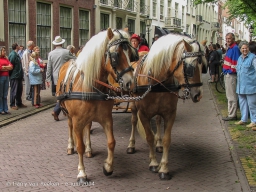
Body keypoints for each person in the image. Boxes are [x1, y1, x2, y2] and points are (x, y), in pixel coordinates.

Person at [46, 36, 76, 121]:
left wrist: (47, 79)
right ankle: (56, 110)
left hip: (55, 77)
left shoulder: (51, 53)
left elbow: (49, 68)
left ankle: (63, 110)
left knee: (59, 93)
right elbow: (77, 60)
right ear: (62, 43)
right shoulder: (66, 52)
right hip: (65, 76)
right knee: (65, 94)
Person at [234, 41, 256, 129]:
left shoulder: (253, 58)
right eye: (243, 48)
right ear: (240, 49)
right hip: (240, 85)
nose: (244, 49)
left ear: (248, 48)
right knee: (242, 103)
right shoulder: (239, 58)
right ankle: (244, 119)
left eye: (246, 48)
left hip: (250, 85)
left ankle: (254, 121)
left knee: (252, 104)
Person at [222, 33, 241, 121]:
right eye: (226, 38)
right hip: (228, 74)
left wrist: (230, 71)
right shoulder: (230, 48)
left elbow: (235, 64)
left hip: (231, 75)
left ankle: (233, 115)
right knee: (229, 95)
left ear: (233, 39)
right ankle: (231, 113)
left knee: (232, 95)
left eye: (229, 38)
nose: (228, 40)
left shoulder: (235, 48)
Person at [8, 43, 27, 110]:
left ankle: (19, 103)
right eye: (18, 45)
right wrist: (11, 74)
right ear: (16, 47)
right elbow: (10, 65)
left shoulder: (16, 54)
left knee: (19, 90)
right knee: (14, 90)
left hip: (18, 75)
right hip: (14, 75)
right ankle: (12, 104)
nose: (19, 46)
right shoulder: (13, 55)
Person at [0, 46, 13, 115]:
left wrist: (4, 67)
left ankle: (6, 109)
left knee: (5, 94)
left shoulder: (6, 59)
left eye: (5, 51)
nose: (5, 52)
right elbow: (0, 68)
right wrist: (6, 67)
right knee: (1, 94)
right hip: (1, 77)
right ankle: (1, 109)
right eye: (3, 51)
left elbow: (11, 66)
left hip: (6, 77)